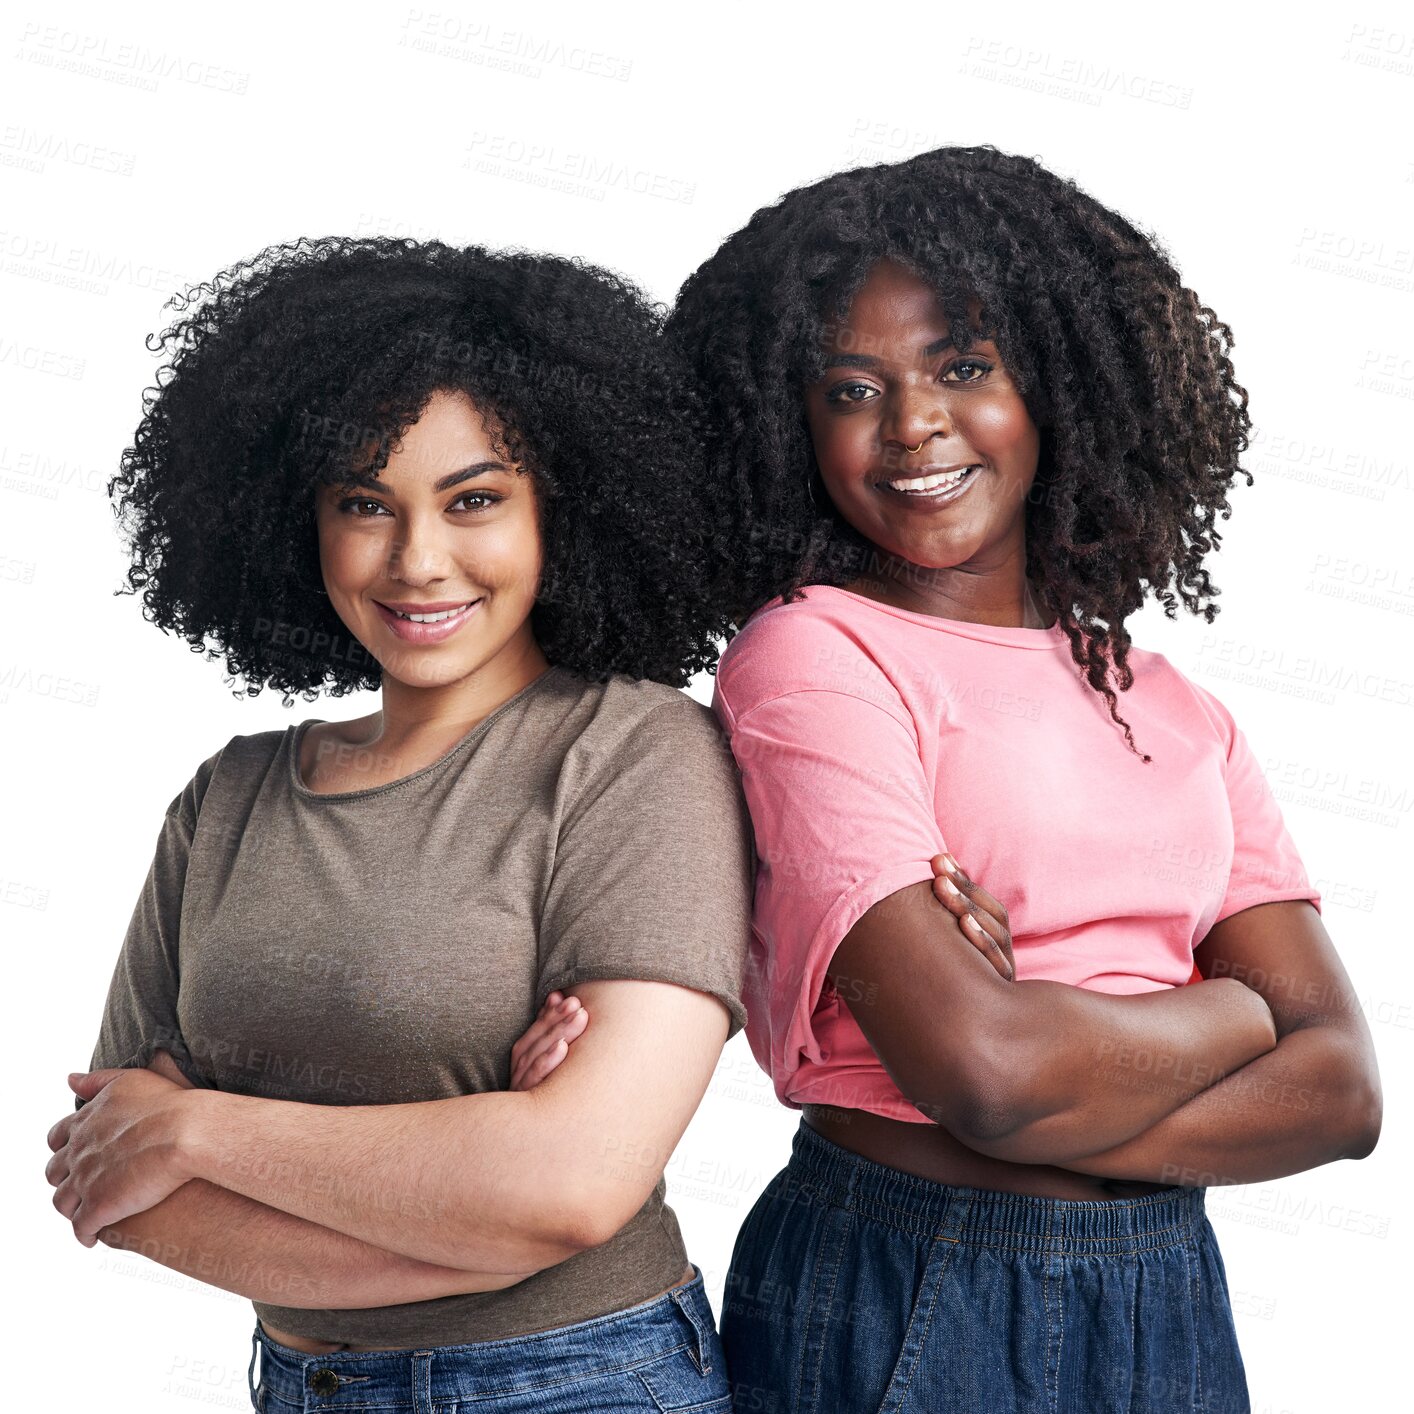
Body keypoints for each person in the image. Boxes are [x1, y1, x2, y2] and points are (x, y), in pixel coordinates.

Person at [547, 147, 1384, 1412]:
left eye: (961, 366)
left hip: (1166, 1285)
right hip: (920, 1271)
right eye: (849, 388)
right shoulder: (813, 655)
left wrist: (1050, 1091)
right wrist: (1230, 1016)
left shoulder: (1171, 703)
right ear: (792, 425)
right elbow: (983, 1068)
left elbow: (1342, 1091)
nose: (912, 425)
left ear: (1055, 384)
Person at [44, 236, 752, 1414]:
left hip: (578, 1381)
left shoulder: (632, 755)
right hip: (297, 1385)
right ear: (296, 522)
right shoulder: (229, 797)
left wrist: (203, 1127)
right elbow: (116, 1186)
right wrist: (486, 1198)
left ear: (559, 510)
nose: (419, 560)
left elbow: (573, 1188)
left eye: (474, 499)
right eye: (364, 504)